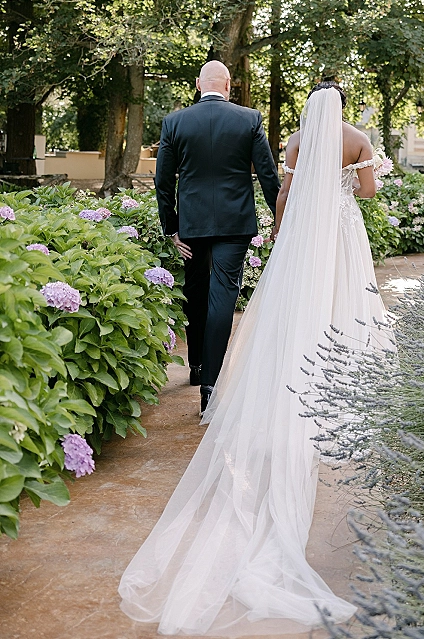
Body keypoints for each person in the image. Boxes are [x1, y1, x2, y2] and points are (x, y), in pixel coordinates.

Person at [119, 83, 392, 636]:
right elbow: (364, 195)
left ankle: (208, 372)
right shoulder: (357, 138)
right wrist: (364, 170)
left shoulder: (294, 141)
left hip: (276, 234)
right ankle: (337, 361)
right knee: (344, 294)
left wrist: (280, 228)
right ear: (340, 106)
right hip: (339, 232)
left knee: (265, 302)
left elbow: (284, 194)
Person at [155, 61, 280, 412]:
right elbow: (269, 177)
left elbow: (163, 183)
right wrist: (280, 219)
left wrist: (172, 228)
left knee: (194, 292)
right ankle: (210, 384)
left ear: (198, 84)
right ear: (228, 85)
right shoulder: (249, 119)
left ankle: (196, 366)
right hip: (234, 224)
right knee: (222, 298)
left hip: (191, 227)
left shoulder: (175, 122)